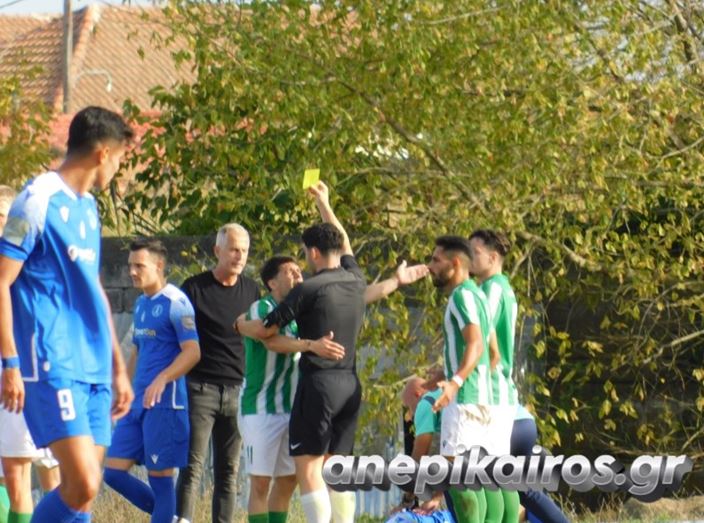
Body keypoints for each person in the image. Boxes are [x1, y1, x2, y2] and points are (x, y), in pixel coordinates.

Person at [238, 182, 428, 523]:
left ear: (312, 253)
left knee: (309, 468)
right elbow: (346, 243)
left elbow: (266, 331)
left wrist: (240, 326)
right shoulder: (355, 280)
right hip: (350, 386)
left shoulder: (307, 289)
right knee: (338, 467)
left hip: (318, 385)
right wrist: (325, 204)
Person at [0, 106, 134, 523]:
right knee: (82, 483)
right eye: (120, 159)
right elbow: (1, 280)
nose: (119, 169)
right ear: (102, 153)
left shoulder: (89, 208)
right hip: (52, 361)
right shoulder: (36, 200)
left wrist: (117, 367)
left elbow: (95, 291)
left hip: (94, 366)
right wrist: (10, 363)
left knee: (82, 497)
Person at [239, 255, 346, 523]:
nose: (299, 276)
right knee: (260, 483)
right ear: (272, 282)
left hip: (292, 409)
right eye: (291, 272)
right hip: (259, 408)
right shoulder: (262, 307)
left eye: (300, 271)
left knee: (287, 481)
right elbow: (271, 341)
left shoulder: (301, 311)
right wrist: (310, 345)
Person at [104, 238, 201, 523]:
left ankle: (167, 516)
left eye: (139, 266)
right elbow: (138, 349)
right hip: (137, 403)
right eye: (130, 265)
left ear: (158, 265)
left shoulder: (176, 303)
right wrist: (123, 389)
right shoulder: (141, 303)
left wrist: (163, 378)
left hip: (165, 405)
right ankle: (173, 518)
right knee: (113, 472)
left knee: (160, 480)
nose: (132, 272)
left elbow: (193, 351)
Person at [176, 224, 260, 523]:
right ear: (217, 250)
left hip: (238, 391)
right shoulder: (193, 288)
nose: (240, 256)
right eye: (234, 249)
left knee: (229, 472)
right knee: (191, 468)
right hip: (200, 390)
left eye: (245, 251)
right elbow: (178, 338)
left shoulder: (252, 290)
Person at [426, 236, 493, 523]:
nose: (430, 266)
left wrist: (455, 381)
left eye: (435, 260)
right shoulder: (477, 294)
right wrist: (444, 375)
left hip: (465, 399)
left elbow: (475, 343)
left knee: (456, 478)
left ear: (454, 263)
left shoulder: (461, 296)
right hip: (481, 395)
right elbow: (490, 351)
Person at [469, 229, 519, 523]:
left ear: (493, 257)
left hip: (492, 389)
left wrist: (461, 371)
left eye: (475, 252)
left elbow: (480, 332)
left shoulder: (493, 289)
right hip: (498, 390)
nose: (469, 258)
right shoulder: (500, 286)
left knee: (485, 473)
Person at [386, 377, 454, 523]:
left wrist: (406, 501)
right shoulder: (443, 393)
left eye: (408, 407)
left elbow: (418, 459)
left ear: (417, 394)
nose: (409, 417)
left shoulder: (425, 403)